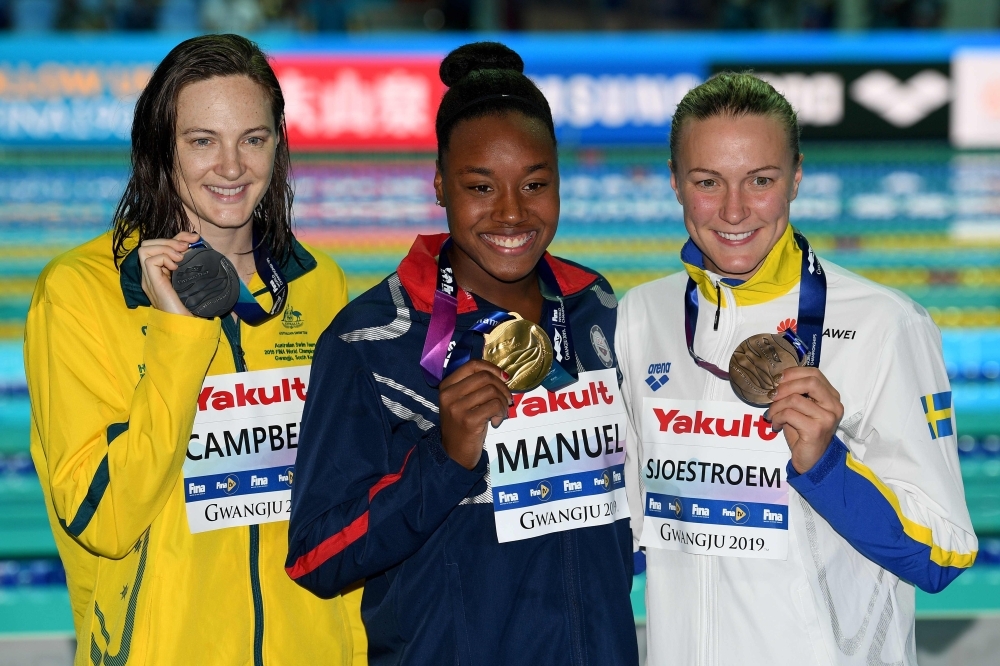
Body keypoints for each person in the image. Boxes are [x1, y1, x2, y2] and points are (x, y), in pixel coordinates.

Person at [286, 42, 639, 666]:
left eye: (535, 184)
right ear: (441, 187)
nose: (511, 212)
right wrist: (444, 460)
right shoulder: (371, 341)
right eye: (480, 186)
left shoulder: (599, 314)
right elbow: (316, 556)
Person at [24, 34, 364, 666]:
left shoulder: (319, 285)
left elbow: (340, 500)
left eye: (253, 139)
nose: (231, 167)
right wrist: (178, 333)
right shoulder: (80, 293)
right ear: (162, 148)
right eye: (202, 140)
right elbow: (106, 518)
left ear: (278, 145)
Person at [617, 72, 978, 665]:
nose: (734, 210)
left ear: (797, 176)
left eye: (761, 180)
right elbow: (631, 526)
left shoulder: (884, 324)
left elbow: (943, 555)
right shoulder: (642, 317)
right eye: (708, 182)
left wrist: (826, 464)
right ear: (676, 183)